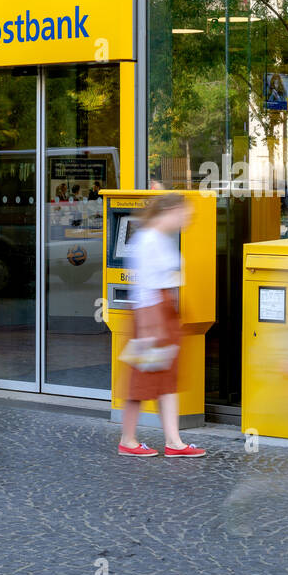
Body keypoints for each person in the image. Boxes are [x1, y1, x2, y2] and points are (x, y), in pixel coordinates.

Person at [118, 193, 205, 458]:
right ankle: (128, 440)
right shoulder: (148, 240)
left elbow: (169, 279)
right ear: (170, 210)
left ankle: (173, 441)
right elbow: (144, 287)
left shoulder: (160, 239)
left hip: (163, 315)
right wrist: (148, 327)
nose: (186, 219)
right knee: (142, 380)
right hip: (152, 315)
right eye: (184, 214)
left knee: (165, 379)